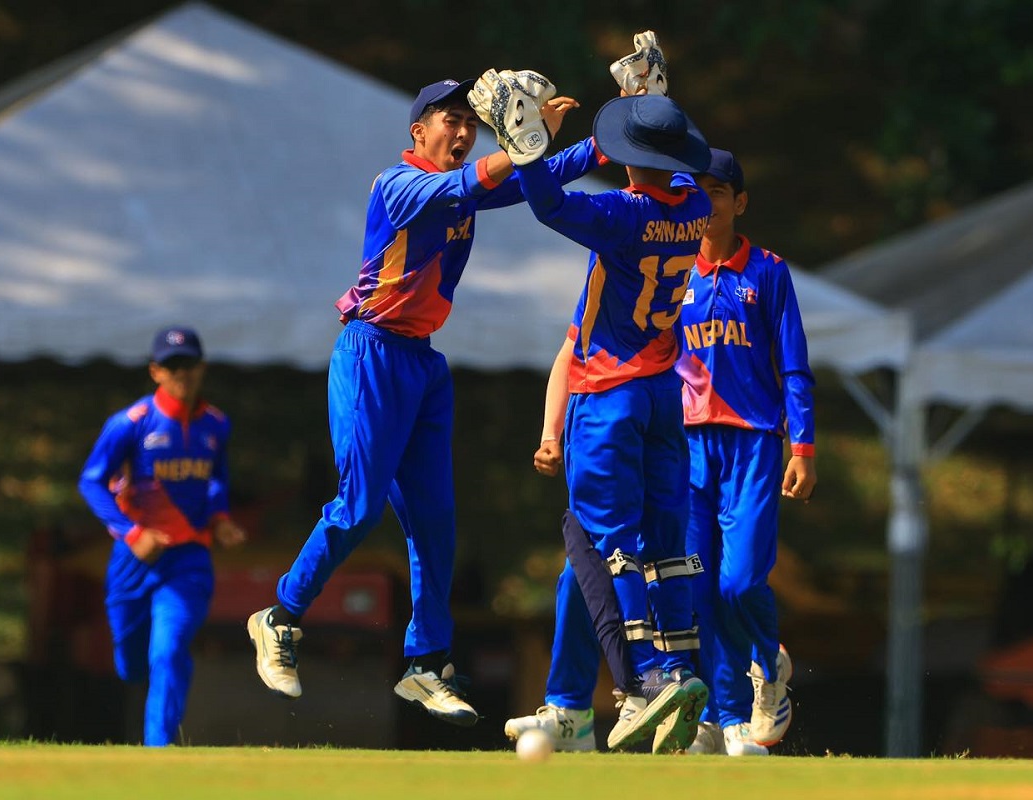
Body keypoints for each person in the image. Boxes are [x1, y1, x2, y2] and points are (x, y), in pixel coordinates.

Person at [245, 76, 599, 728]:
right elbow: (468, 184)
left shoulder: (465, 183)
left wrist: (609, 141)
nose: (462, 132)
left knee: (436, 523)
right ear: (419, 131)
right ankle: (280, 617)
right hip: (372, 354)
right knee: (358, 507)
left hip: (423, 365)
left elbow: (537, 178)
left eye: (470, 123)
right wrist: (522, 143)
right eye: (449, 121)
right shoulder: (398, 184)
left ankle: (426, 664)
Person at [474, 65, 712, 753]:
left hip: (609, 396)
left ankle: (641, 685)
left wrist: (528, 145)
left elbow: (549, 205)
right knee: (661, 547)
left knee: (604, 548)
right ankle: (655, 678)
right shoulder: (695, 204)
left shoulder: (622, 217)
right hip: (664, 395)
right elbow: (668, 160)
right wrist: (647, 104)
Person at [676, 148, 816, 756]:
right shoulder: (672, 269)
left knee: (737, 583)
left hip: (752, 443)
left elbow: (794, 366)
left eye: (717, 191)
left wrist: (802, 446)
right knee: (698, 589)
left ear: (740, 202)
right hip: (686, 445)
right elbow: (657, 356)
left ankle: (768, 661)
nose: (706, 203)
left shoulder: (769, 272)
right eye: (697, 191)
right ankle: (723, 719)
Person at [78, 326, 247, 747]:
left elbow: (216, 478)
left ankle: (160, 749)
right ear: (155, 371)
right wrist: (131, 532)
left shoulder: (216, 425)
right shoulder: (129, 424)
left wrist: (220, 518)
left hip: (188, 559)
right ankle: (148, 707)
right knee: (131, 664)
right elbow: (91, 482)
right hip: (134, 558)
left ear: (202, 368)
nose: (182, 374)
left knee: (168, 651)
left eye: (188, 364)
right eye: (172, 366)